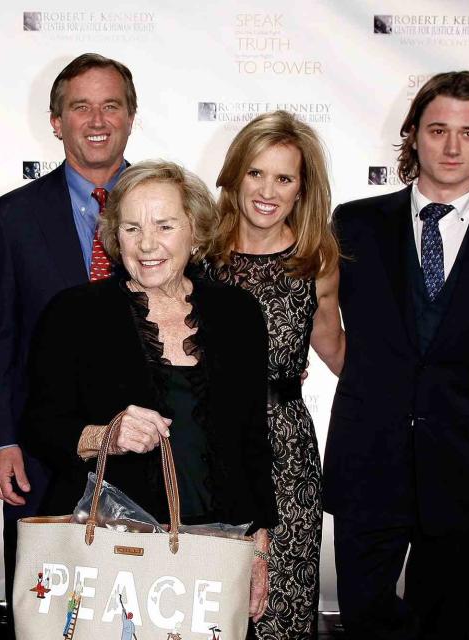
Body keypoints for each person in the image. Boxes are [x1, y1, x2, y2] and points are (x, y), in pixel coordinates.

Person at [324, 71, 469, 639]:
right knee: (364, 621)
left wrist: (465, 401)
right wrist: (371, 383)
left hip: (461, 466)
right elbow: (324, 321)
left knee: (444, 626)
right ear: (413, 135)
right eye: (438, 130)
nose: (452, 147)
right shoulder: (355, 225)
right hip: (368, 457)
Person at [21, 160, 278, 624]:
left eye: (164, 225)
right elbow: (41, 427)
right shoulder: (74, 314)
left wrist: (257, 549)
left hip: (212, 553)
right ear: (114, 237)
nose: (147, 244)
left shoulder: (238, 315)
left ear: (195, 231)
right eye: (132, 227)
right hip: (110, 556)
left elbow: (253, 442)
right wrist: (106, 436)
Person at [0, 52, 138, 619]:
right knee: (42, 613)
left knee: (131, 613)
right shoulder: (11, 218)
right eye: (80, 107)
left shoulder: (170, 208)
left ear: (130, 116)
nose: (97, 119)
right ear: (56, 121)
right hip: (41, 454)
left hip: (142, 453)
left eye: (111, 105)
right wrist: (2, 440)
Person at [203, 110, 344, 638]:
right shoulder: (199, 253)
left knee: (280, 613)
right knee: (208, 607)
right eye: (255, 173)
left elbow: (333, 348)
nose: (267, 190)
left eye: (284, 178)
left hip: (286, 459)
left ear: (302, 190)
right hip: (208, 451)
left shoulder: (316, 261)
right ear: (235, 175)